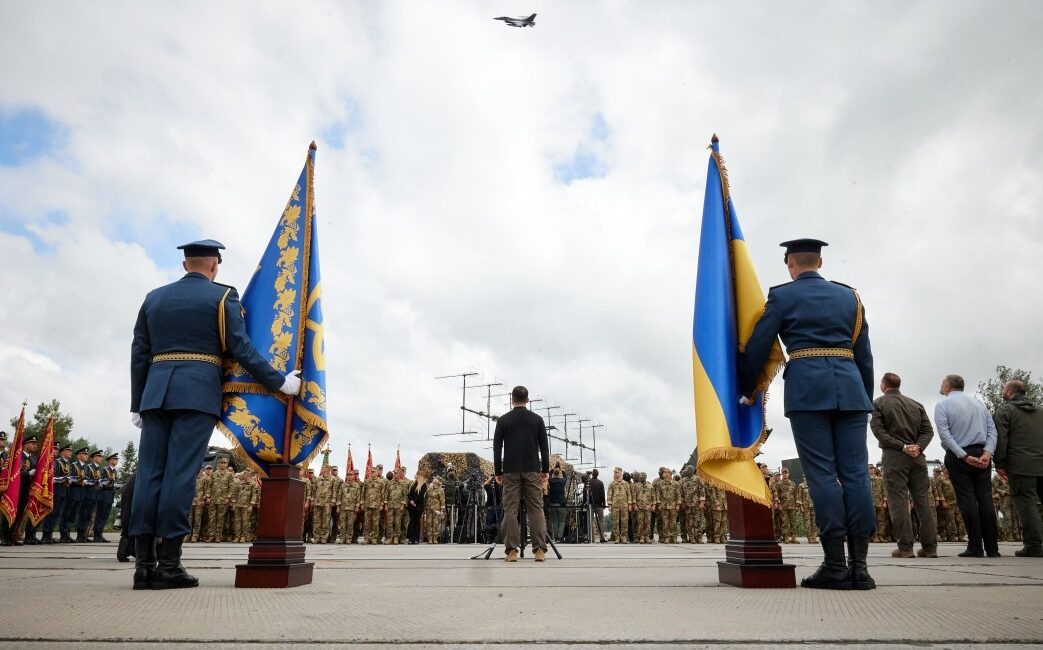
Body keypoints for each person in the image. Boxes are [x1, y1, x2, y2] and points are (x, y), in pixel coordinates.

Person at [129, 239, 301, 590]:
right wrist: (278, 382)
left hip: (155, 393)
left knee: (149, 476)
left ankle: (143, 566)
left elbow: (139, 353)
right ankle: (169, 565)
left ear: (185, 265)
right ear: (213, 266)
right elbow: (240, 348)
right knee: (180, 475)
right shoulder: (222, 297)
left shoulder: (153, 297)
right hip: (196, 392)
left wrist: (137, 402)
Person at [740, 238, 876, 590]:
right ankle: (860, 568)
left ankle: (835, 565)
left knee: (822, 476)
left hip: (807, 389)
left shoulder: (783, 296)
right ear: (820, 261)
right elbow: (864, 353)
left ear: (790, 263)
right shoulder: (851, 297)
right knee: (857, 475)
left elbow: (759, 344)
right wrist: (865, 395)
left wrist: (747, 386)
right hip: (851, 389)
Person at [869, 372, 938, 558]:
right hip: (918, 457)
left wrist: (902, 446)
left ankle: (905, 547)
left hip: (894, 457)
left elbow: (878, 431)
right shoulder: (916, 404)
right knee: (923, 502)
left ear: (883, 386)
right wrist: (918, 447)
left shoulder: (879, 403)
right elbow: (928, 431)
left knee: (898, 501)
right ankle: (930, 548)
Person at [935, 374, 1000, 558]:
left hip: (959, 455)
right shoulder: (979, 403)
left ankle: (975, 546)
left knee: (967, 500)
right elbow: (992, 430)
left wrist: (963, 455)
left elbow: (945, 434)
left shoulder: (942, 405)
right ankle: (992, 547)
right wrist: (988, 452)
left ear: (947, 385)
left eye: (942, 382)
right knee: (985, 499)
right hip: (982, 454)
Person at [492, 385, 550, 562]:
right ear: (527, 400)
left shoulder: (503, 420)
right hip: (532, 469)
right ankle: (539, 549)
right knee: (536, 508)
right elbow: (544, 448)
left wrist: (498, 471)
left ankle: (511, 551)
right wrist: (545, 470)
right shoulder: (537, 420)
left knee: (510, 509)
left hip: (510, 470)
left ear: (512, 399)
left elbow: (497, 448)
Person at [993, 380, 1043, 557]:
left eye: (1003, 388)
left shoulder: (1005, 410)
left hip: (1021, 466)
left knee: (1026, 503)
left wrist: (999, 463)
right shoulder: (1040, 410)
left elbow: (1001, 438)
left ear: (1009, 392)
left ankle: (1034, 545)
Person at [42, 444, 73, 544]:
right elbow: (52, 477)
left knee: (57, 514)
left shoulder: (68, 463)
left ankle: (49, 534)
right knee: (52, 513)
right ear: (63, 452)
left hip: (64, 491)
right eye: (68, 450)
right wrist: (63, 479)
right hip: (57, 490)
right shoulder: (57, 462)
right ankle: (46, 535)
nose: (70, 453)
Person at [12, 435, 40, 545]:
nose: (35, 445)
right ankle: (7, 535)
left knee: (22, 514)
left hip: (29, 489)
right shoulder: (18, 457)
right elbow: (14, 473)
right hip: (18, 488)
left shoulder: (34, 458)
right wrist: (28, 473)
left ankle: (16, 535)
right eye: (32, 443)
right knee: (15, 512)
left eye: (36, 444)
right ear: (25, 444)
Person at [94, 453, 120, 543]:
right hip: (104, 494)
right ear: (110, 460)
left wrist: (117, 485)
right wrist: (110, 483)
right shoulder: (104, 470)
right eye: (115, 459)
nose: (116, 461)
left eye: (117, 460)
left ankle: (100, 534)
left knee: (105, 516)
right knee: (100, 515)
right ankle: (96, 535)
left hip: (110, 495)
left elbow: (114, 482)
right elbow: (100, 482)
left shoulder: (115, 471)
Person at [547, 468, 568, 542]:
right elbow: (566, 476)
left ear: (553, 474)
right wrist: (561, 469)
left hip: (552, 504)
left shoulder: (551, 481)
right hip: (561, 504)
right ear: (559, 474)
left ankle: (555, 536)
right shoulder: (562, 481)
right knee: (562, 521)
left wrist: (552, 469)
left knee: (554, 521)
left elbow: (549, 475)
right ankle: (559, 537)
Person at [587, 468, 606, 543]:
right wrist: (603, 504)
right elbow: (602, 494)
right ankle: (601, 537)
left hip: (590, 504)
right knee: (601, 520)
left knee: (591, 521)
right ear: (598, 474)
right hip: (599, 504)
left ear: (592, 474)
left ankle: (592, 538)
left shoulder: (588, 482)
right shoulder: (600, 483)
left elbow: (586, 493)